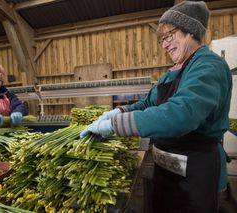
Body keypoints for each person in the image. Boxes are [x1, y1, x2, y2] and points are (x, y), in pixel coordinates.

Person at [80, 1, 232, 213]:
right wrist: (120, 111)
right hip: (166, 173)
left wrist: (115, 125)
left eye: (170, 35)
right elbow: (148, 102)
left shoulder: (209, 66)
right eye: (163, 39)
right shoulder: (173, 70)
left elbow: (181, 114)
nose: (165, 44)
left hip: (196, 177)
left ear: (191, 31)